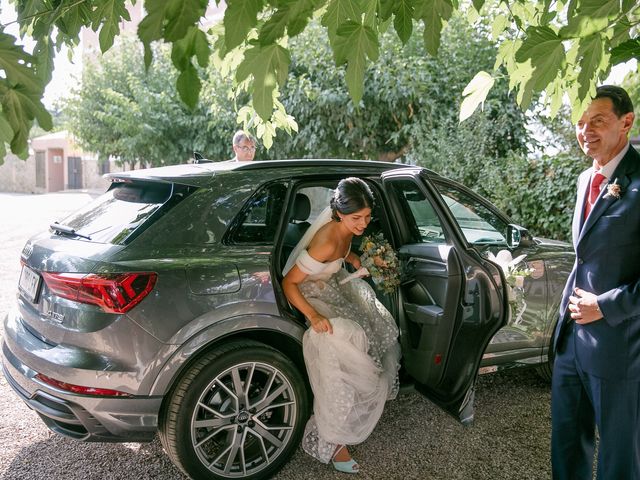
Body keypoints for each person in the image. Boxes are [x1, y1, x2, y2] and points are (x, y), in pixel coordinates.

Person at [282, 177, 400, 474]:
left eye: (367, 217)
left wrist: (360, 258)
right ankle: (333, 441)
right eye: (356, 218)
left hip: (330, 286)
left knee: (372, 332)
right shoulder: (325, 241)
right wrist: (313, 316)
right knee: (340, 361)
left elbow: (344, 251)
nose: (363, 224)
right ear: (338, 214)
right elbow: (289, 283)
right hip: (310, 296)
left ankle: (348, 417)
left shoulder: (345, 232)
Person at [551, 85, 640, 480]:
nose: (586, 130)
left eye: (597, 121)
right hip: (571, 341)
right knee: (567, 444)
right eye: (581, 123)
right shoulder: (584, 179)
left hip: (621, 345)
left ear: (626, 123)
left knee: (619, 456)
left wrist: (604, 305)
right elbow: (585, 254)